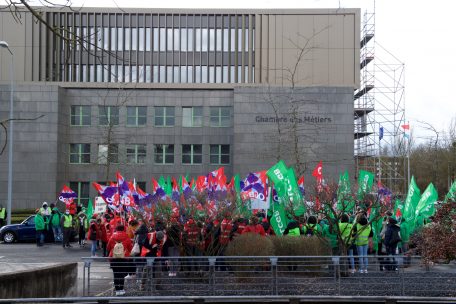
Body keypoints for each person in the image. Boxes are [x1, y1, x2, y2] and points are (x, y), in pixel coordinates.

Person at [107, 224, 134, 296]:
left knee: (115, 274)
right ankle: (121, 289)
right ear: (123, 229)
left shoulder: (112, 236)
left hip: (114, 258)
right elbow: (130, 248)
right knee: (122, 274)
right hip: (124, 258)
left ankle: (117, 290)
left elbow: (108, 247)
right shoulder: (126, 237)